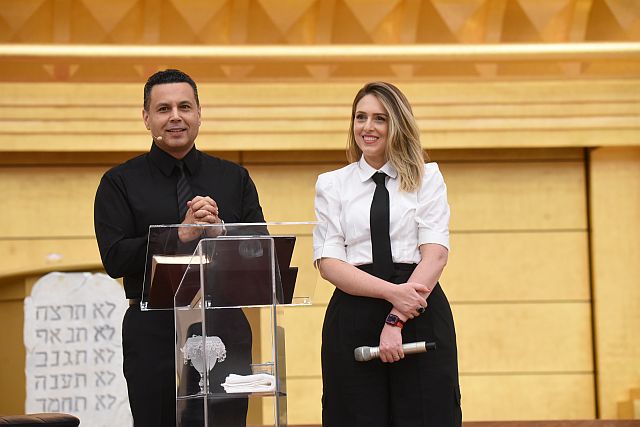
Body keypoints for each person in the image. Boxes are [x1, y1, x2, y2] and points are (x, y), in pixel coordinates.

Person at [94, 69, 265, 427]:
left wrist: (221, 230)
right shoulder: (119, 183)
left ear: (199, 114)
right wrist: (179, 235)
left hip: (225, 325)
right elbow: (115, 258)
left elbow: (261, 252)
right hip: (152, 327)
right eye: (163, 108)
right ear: (146, 118)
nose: (175, 116)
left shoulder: (234, 178)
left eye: (185, 106)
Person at [313, 81, 462, 426]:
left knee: (427, 414)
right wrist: (393, 294)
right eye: (360, 117)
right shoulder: (332, 184)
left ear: (397, 124)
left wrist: (397, 317)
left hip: (419, 310)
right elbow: (329, 262)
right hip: (355, 311)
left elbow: (435, 255)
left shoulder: (428, 178)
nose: (367, 127)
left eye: (380, 118)